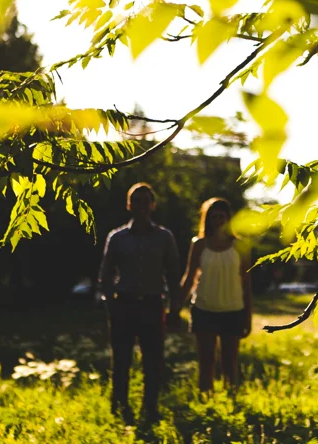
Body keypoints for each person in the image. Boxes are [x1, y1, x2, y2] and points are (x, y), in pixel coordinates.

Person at [98, 182, 181, 424]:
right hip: (123, 305)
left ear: (153, 205)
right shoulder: (117, 237)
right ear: (129, 205)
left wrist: (175, 309)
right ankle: (120, 406)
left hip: (152, 305)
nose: (142, 205)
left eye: (146, 201)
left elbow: (174, 275)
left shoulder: (164, 237)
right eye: (137, 200)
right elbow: (105, 273)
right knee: (121, 358)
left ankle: (150, 409)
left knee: (153, 360)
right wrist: (109, 303)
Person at [179, 197, 252, 392]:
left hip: (233, 310)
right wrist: (175, 308)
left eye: (222, 217)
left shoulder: (240, 246)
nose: (218, 221)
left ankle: (232, 403)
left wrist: (248, 317)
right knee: (206, 362)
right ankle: (206, 401)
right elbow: (189, 277)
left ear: (228, 219)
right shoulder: (199, 244)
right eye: (214, 217)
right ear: (207, 219)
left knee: (230, 362)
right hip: (204, 310)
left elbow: (246, 284)